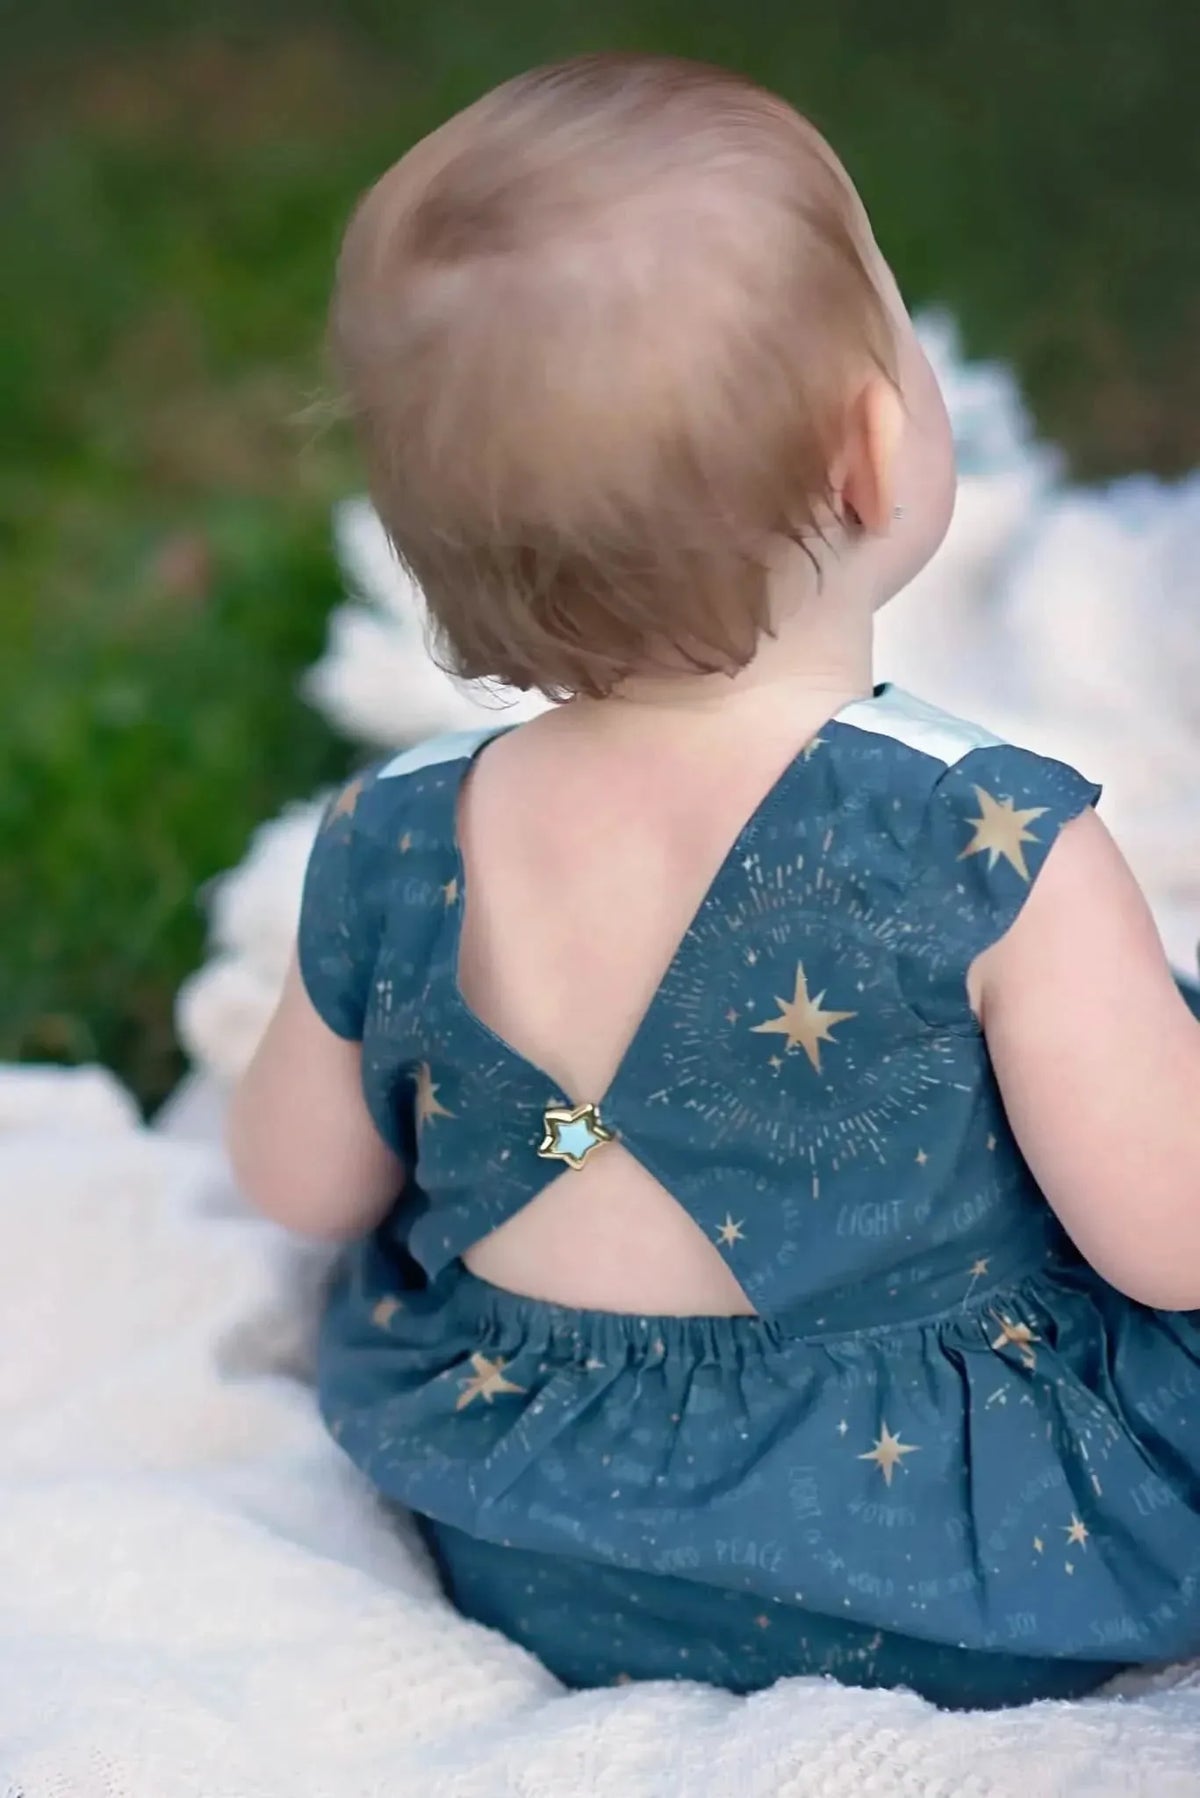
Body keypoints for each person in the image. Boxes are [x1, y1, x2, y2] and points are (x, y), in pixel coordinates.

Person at [228, 55, 1200, 1709]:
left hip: (540, 1532)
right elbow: (1172, 1239)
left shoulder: (393, 837)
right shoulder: (986, 845)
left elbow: (297, 1186)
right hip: (952, 1561)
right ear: (876, 449)